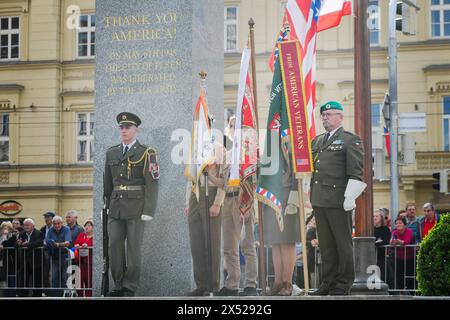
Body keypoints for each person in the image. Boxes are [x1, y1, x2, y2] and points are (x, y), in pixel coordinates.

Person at [309, 101, 365, 296]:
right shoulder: (317, 141)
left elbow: (356, 171)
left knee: (342, 244)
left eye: (330, 114)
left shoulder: (350, 140)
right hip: (319, 200)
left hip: (339, 199)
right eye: (323, 114)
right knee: (326, 246)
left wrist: (350, 196)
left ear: (340, 117)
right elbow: (311, 170)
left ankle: (343, 283)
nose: (325, 117)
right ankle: (328, 282)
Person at [103, 112, 159, 297]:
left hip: (137, 208)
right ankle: (118, 283)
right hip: (116, 207)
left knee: (134, 249)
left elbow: (152, 183)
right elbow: (107, 182)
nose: (124, 130)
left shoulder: (146, 152)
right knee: (115, 247)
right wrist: (107, 204)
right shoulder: (112, 152)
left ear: (136, 130)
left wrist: (149, 209)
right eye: (122, 127)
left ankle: (130, 285)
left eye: (128, 127)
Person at [217, 116, 258, 296]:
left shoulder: (250, 153)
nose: (234, 129)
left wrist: (245, 205)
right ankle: (232, 284)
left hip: (244, 200)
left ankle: (250, 285)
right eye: (232, 126)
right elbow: (224, 183)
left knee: (247, 246)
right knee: (228, 247)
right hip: (228, 201)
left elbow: (253, 181)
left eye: (238, 127)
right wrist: (209, 174)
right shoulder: (228, 153)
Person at [16, 218, 43, 297]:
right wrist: (18, 243)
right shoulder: (21, 234)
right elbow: (16, 244)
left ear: (33, 226)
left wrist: (28, 244)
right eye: (25, 225)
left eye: (28, 225)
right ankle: (23, 295)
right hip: (25, 260)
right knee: (24, 279)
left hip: (36, 260)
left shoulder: (39, 233)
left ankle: (37, 296)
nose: (26, 227)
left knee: (37, 279)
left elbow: (39, 242)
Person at [46, 215, 71, 297]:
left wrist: (57, 244)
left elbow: (67, 243)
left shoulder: (66, 229)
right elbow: (46, 241)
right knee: (53, 278)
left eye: (58, 223)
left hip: (64, 257)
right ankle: (54, 296)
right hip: (54, 257)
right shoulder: (50, 230)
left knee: (65, 277)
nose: (56, 225)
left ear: (62, 223)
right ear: (52, 224)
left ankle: (65, 296)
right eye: (55, 224)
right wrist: (50, 243)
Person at [390, 216, 415, 292]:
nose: (398, 224)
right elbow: (392, 242)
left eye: (400, 223)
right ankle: (400, 293)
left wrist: (398, 241)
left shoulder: (409, 231)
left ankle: (412, 293)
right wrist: (393, 242)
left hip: (410, 257)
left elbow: (406, 242)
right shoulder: (394, 232)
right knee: (399, 277)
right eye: (396, 223)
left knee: (410, 276)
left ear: (404, 224)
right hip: (399, 258)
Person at [73, 219, 93, 297]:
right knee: (80, 280)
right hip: (80, 261)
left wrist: (88, 246)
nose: (86, 227)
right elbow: (76, 243)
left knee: (89, 281)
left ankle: (89, 296)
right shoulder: (81, 235)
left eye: (89, 225)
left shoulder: (95, 237)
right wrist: (77, 245)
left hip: (90, 262)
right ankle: (80, 296)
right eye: (85, 225)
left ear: (93, 227)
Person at [373, 209, 391, 285]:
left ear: (381, 217)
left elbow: (386, 241)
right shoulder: (370, 229)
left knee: (383, 276)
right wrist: (377, 242)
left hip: (381, 257)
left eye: (376, 216)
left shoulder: (385, 229)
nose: (374, 218)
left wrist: (375, 243)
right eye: (373, 216)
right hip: (372, 257)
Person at [0, 221, 17, 297]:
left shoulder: (12, 237)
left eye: (6, 228)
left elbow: (6, 244)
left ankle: (11, 295)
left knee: (11, 278)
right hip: (1, 261)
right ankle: (3, 295)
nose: (4, 229)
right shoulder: (1, 237)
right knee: (3, 279)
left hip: (10, 261)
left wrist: (4, 238)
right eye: (3, 228)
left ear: (10, 229)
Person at [40, 211, 55, 294]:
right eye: (45, 217)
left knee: (53, 273)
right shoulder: (42, 229)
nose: (46, 219)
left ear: (52, 218)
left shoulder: (56, 228)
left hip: (54, 252)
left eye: (48, 217)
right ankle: (47, 291)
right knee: (45, 273)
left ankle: (54, 291)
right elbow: (40, 239)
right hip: (44, 252)